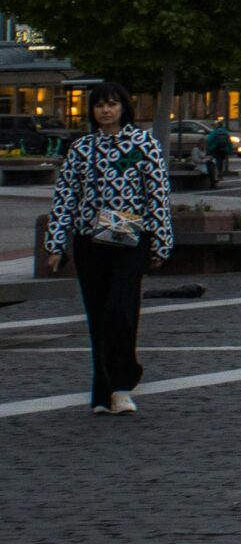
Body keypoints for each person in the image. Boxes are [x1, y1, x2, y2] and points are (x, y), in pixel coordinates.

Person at [39, 83, 171, 416]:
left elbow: (157, 194)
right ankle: (103, 392)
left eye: (111, 104)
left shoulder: (143, 145)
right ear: (92, 111)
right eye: (99, 105)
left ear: (124, 108)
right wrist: (55, 243)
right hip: (91, 241)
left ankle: (123, 382)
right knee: (98, 316)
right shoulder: (81, 148)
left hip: (130, 240)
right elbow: (65, 196)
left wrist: (161, 242)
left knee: (120, 310)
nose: (106, 111)